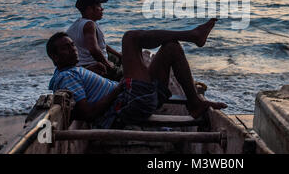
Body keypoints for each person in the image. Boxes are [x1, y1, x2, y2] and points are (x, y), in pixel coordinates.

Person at [47, 19, 227, 129]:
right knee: (130, 38)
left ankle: (194, 103)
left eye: (72, 45)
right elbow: (87, 113)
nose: (73, 49)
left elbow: (79, 87)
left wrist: (89, 71)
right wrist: (117, 89)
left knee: (172, 47)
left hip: (132, 98)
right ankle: (193, 35)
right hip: (127, 105)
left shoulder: (69, 72)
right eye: (65, 48)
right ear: (54, 57)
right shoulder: (66, 76)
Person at [66, 0, 122, 79]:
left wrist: (118, 54)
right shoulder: (89, 25)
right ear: (89, 9)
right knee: (133, 70)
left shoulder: (77, 24)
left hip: (82, 64)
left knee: (122, 57)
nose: (102, 9)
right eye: (99, 6)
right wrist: (108, 65)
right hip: (94, 66)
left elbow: (99, 44)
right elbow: (94, 49)